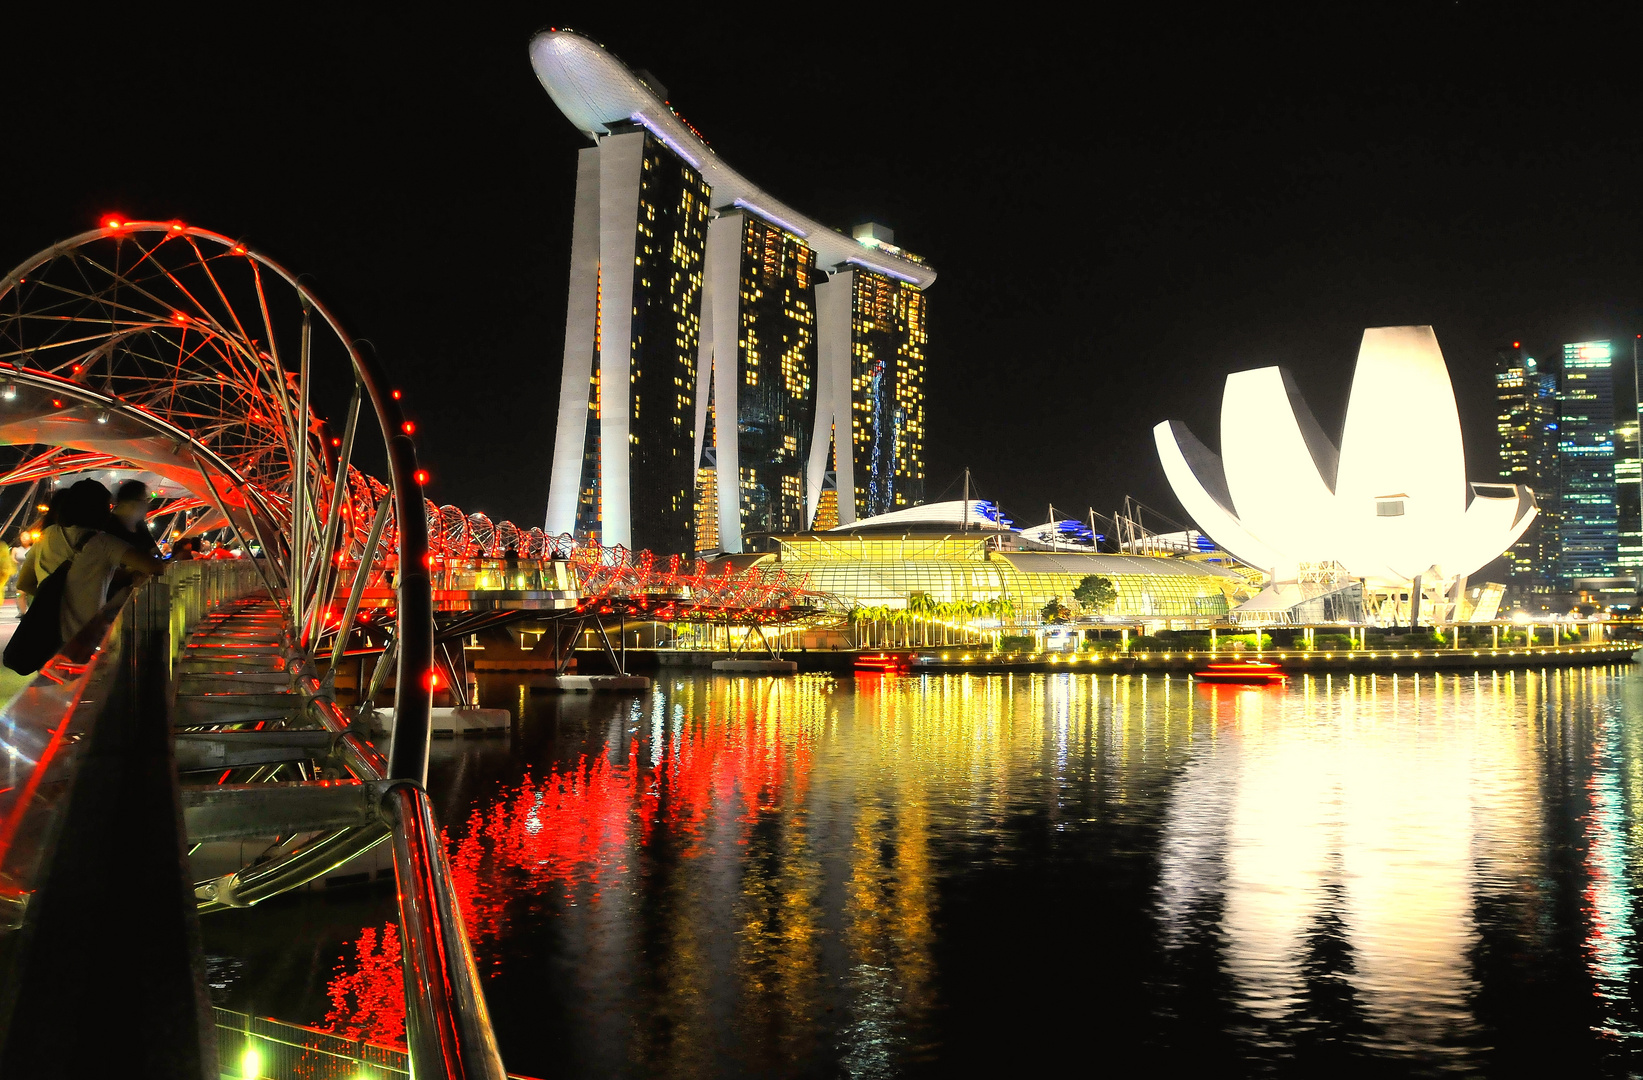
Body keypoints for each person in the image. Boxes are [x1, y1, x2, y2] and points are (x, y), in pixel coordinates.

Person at [17, 479, 166, 643]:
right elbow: (155, 567)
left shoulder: (47, 536)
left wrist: (54, 600)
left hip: (47, 637)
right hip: (85, 638)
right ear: (99, 510)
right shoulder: (103, 543)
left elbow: (24, 583)